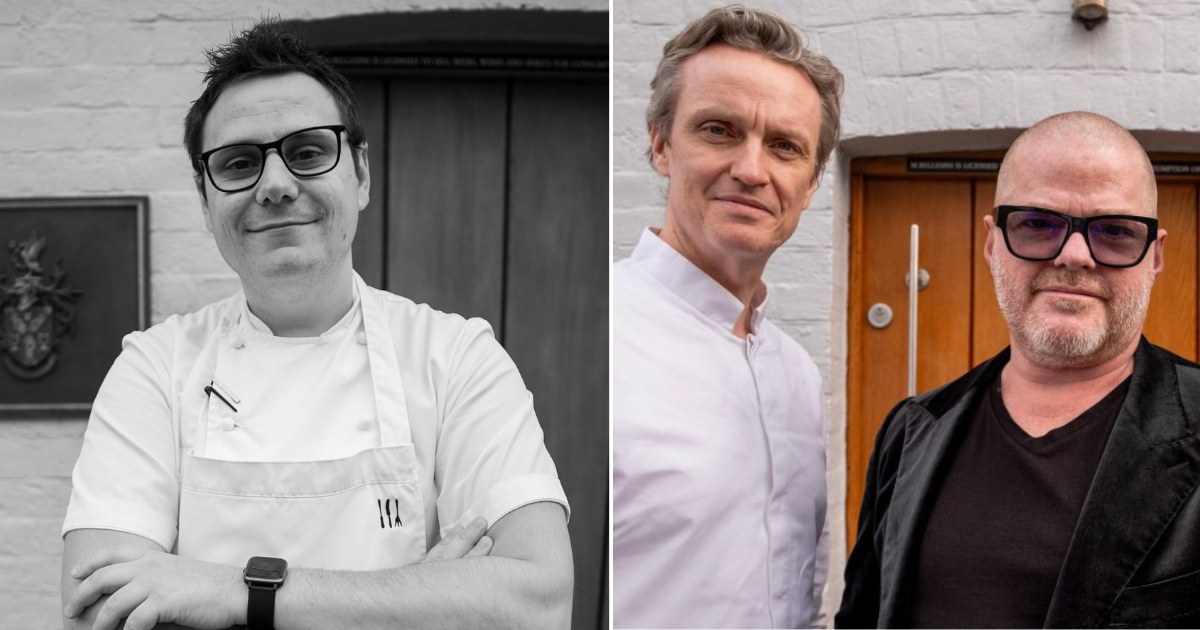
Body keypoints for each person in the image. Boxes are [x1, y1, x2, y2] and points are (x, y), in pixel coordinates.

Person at [59, 18, 571, 630]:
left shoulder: (457, 357)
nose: (275, 185)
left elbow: (538, 603)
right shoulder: (152, 369)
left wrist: (227, 591)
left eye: (307, 152)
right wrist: (422, 596)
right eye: (239, 162)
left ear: (359, 175)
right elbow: (97, 615)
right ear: (204, 202)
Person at [838, 111, 1200, 628]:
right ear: (992, 243)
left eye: (1115, 231)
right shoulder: (912, 430)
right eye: (1037, 224)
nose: (1075, 256)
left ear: (1155, 256)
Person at [612, 6, 843, 628]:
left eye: (785, 147)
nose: (751, 169)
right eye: (719, 130)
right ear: (662, 145)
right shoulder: (603, 340)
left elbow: (803, 589)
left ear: (812, 181)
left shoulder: (796, 375)